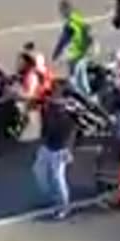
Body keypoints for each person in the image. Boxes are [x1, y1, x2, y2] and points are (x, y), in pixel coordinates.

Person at [33, 84, 78, 220]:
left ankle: (64, 206)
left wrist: (68, 150)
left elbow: (72, 131)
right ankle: (52, 197)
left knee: (58, 178)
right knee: (38, 170)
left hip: (60, 149)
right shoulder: (49, 107)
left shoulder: (68, 113)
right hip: (47, 146)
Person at [52, 0, 97, 99]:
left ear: (65, 9)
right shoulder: (77, 18)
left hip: (76, 53)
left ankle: (81, 99)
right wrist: (92, 46)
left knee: (74, 77)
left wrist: (56, 53)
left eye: (61, 10)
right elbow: (88, 31)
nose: (61, 13)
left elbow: (63, 40)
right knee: (81, 76)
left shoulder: (70, 23)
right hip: (83, 52)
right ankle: (89, 97)